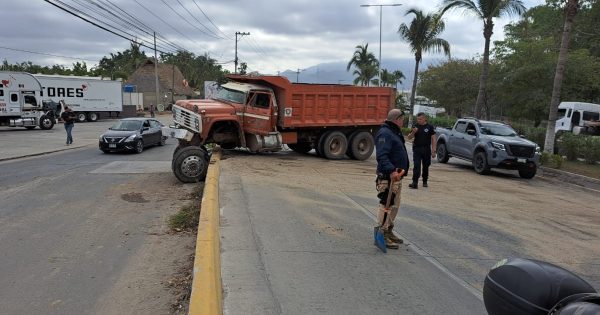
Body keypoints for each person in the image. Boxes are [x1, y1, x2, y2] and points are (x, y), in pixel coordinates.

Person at [374, 108, 410, 249]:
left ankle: (388, 230)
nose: (403, 121)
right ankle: (381, 233)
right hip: (388, 177)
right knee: (386, 205)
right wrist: (391, 170)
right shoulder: (385, 133)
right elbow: (382, 156)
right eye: (402, 119)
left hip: (397, 178)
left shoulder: (394, 132)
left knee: (394, 206)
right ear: (397, 119)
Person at [407, 112, 436, 189]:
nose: (418, 120)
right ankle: (415, 182)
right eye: (418, 119)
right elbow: (409, 137)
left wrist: (433, 150)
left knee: (426, 166)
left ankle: (425, 181)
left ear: (424, 118)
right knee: (416, 165)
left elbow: (433, 138)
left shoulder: (429, 127)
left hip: (426, 149)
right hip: (417, 149)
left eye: (420, 119)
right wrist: (413, 132)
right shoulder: (415, 126)